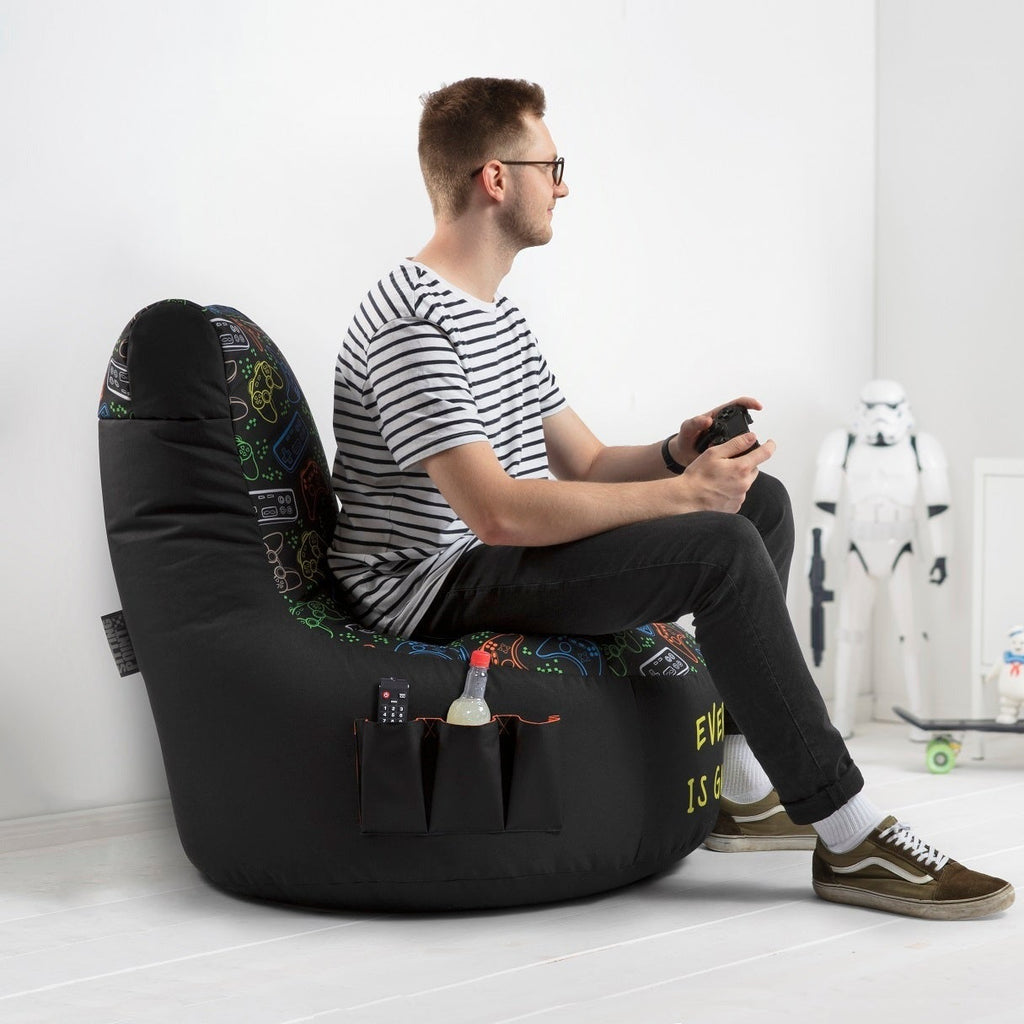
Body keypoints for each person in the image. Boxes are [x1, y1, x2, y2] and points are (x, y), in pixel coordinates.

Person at [328, 77, 1013, 921]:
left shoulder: (497, 316)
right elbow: (494, 513)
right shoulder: (410, 318)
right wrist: (680, 498)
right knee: (717, 546)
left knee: (758, 509)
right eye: (553, 165)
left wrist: (673, 454)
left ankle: (743, 787)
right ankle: (850, 830)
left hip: (490, 553)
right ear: (495, 178)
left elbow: (580, 460)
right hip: (431, 581)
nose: (565, 186)